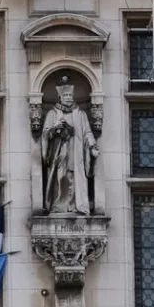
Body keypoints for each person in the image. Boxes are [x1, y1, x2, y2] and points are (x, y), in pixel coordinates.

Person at [41, 76, 99, 215]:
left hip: (76, 152)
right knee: (60, 178)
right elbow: (45, 135)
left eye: (70, 95)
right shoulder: (52, 114)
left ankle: (74, 206)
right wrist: (55, 128)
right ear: (60, 97)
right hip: (60, 152)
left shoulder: (81, 114)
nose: (68, 98)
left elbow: (87, 133)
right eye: (65, 95)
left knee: (73, 178)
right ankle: (59, 205)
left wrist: (92, 146)